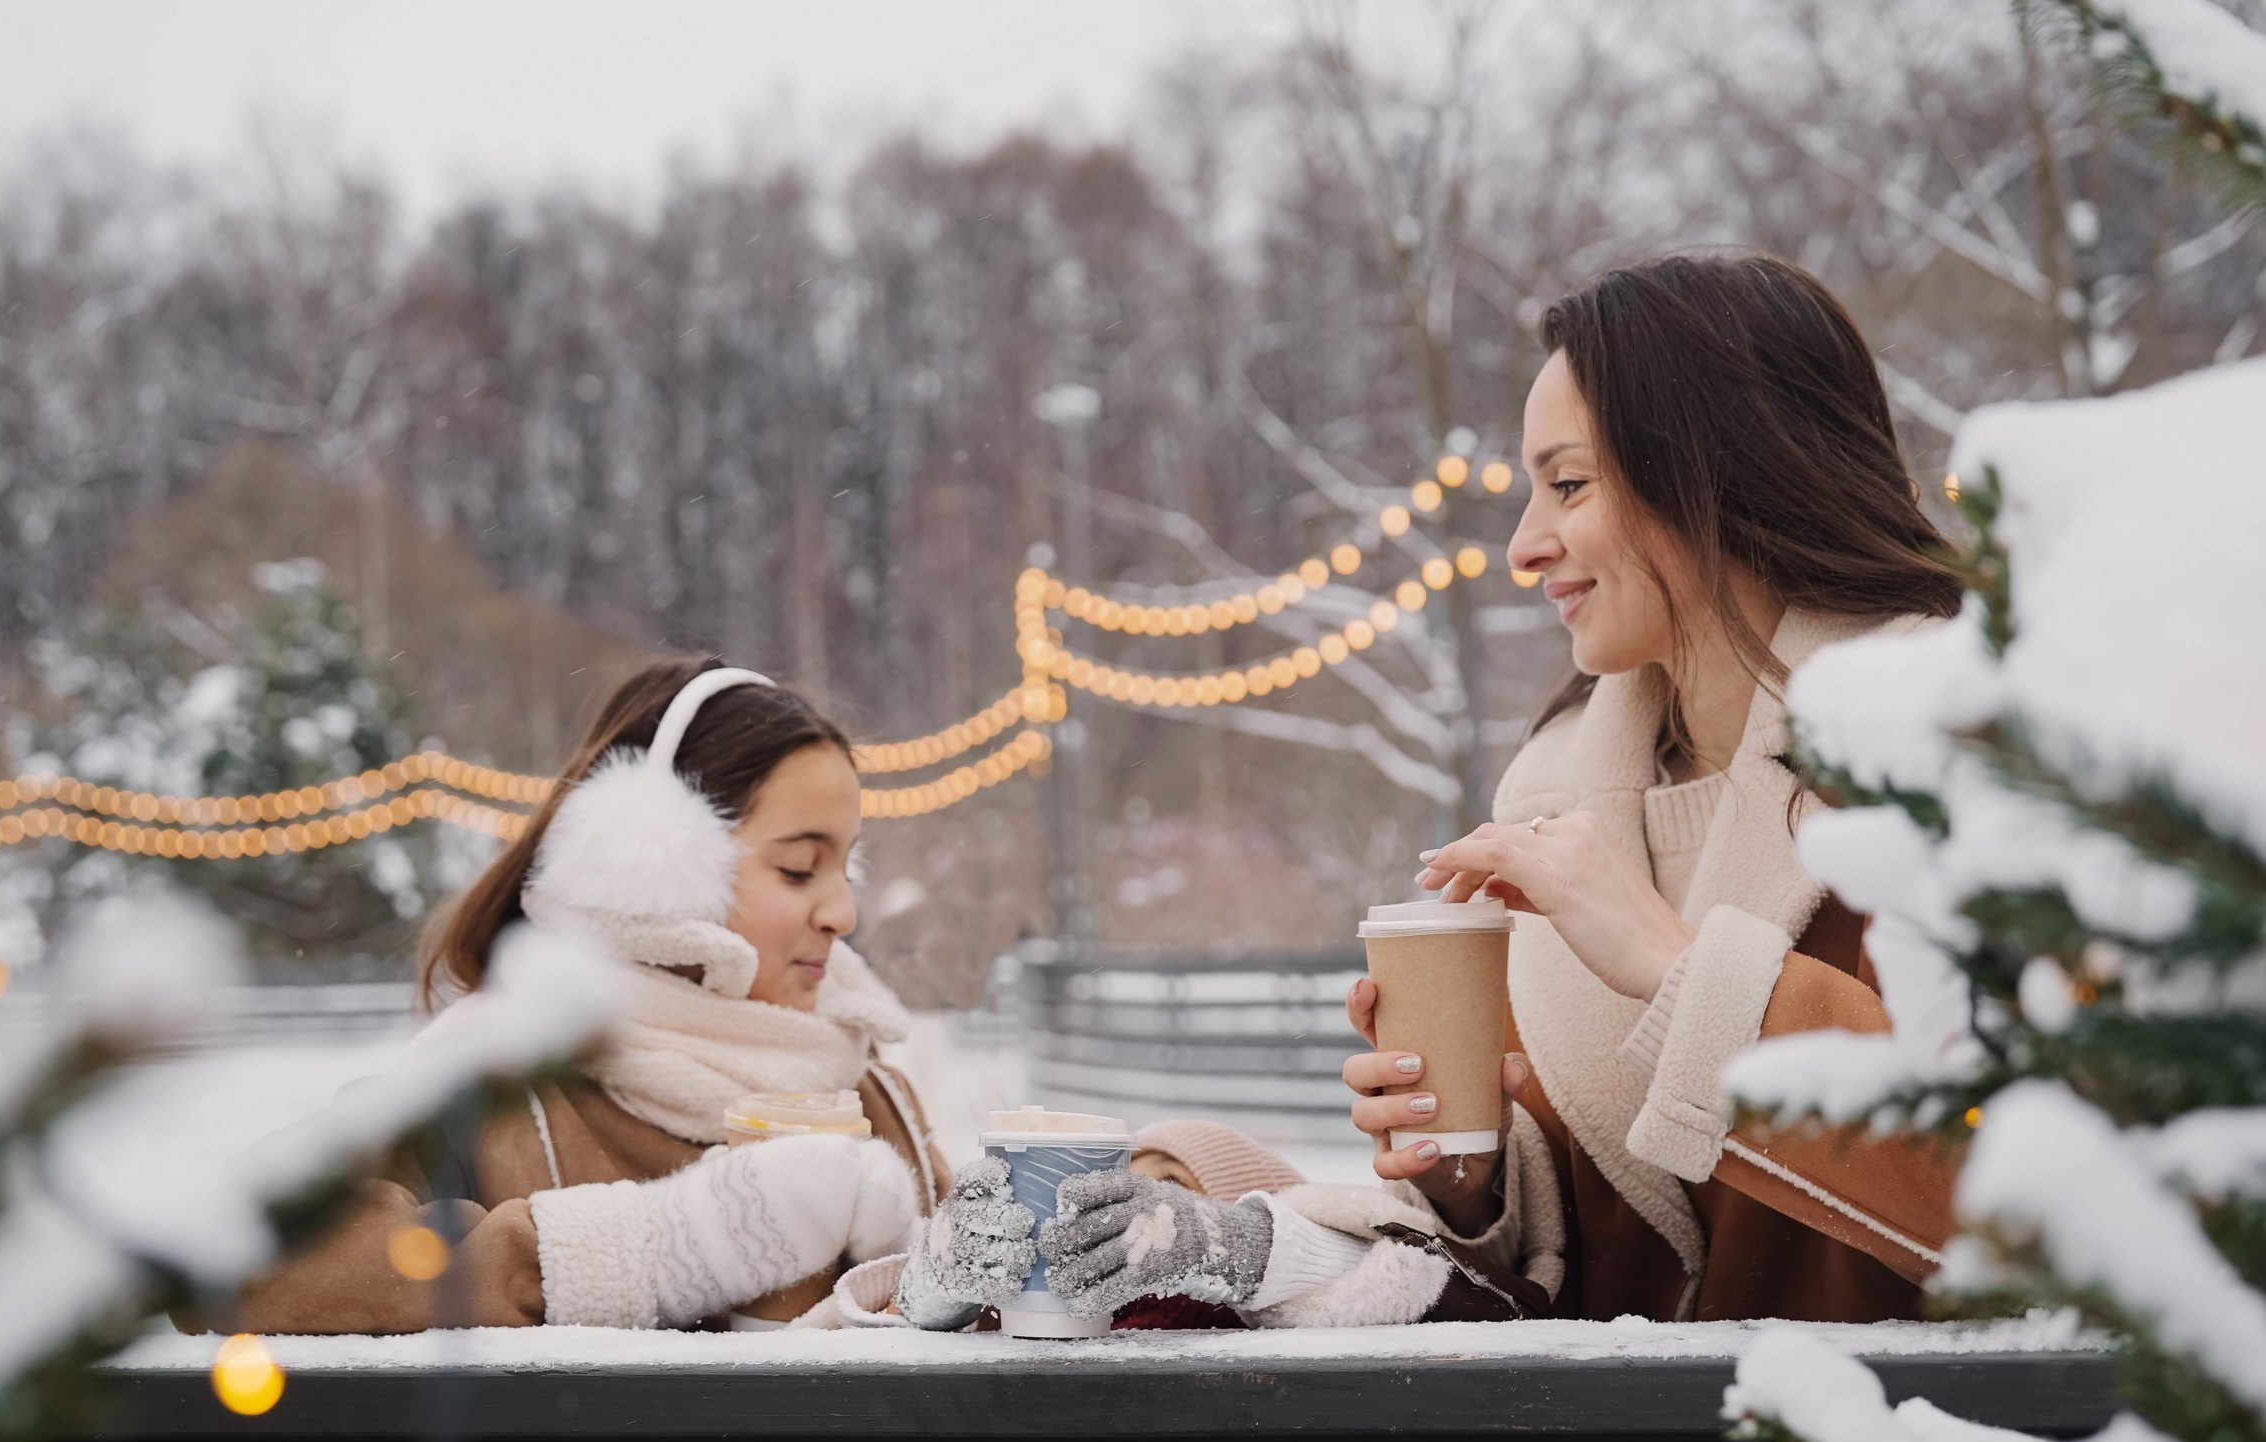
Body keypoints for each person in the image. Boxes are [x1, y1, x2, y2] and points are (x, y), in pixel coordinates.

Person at [911, 250, 1966, 1330]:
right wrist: (1475, 1183)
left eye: (1568, 484)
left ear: (1720, 473)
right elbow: (1603, 1254)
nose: (1522, 545)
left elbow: (2027, 1199)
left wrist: (1669, 963)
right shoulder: (1557, 800)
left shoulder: (1967, 775)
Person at [235, 658, 948, 1336]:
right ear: (651, 870)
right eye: (798, 868)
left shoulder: (877, 1101)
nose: (843, 915)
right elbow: (245, 1254)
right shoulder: (501, 1088)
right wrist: (650, 1251)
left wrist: (944, 1277)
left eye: (846, 866)